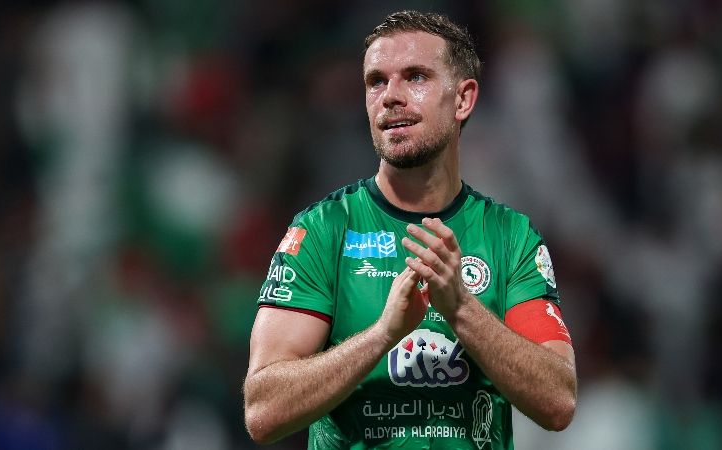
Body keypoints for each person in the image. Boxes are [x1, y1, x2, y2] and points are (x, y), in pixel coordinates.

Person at [243, 10, 576, 449]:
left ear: (463, 99)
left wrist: (460, 308)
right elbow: (262, 412)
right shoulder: (323, 230)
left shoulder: (511, 237)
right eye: (376, 81)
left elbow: (558, 402)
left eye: (415, 77)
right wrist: (383, 334)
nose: (390, 96)